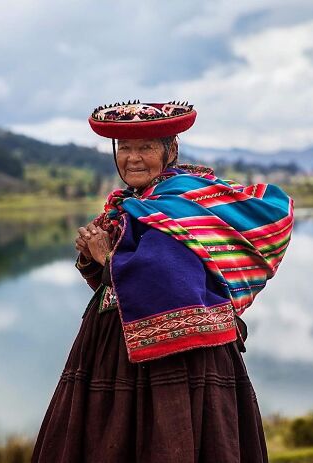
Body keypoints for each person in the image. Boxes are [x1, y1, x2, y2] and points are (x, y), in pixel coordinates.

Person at [31, 101, 294, 462]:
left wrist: (108, 257)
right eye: (124, 148)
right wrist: (96, 255)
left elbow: (169, 280)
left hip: (177, 360)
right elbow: (128, 281)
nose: (132, 158)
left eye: (146, 147)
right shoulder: (136, 203)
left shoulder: (178, 204)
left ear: (171, 150)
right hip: (119, 349)